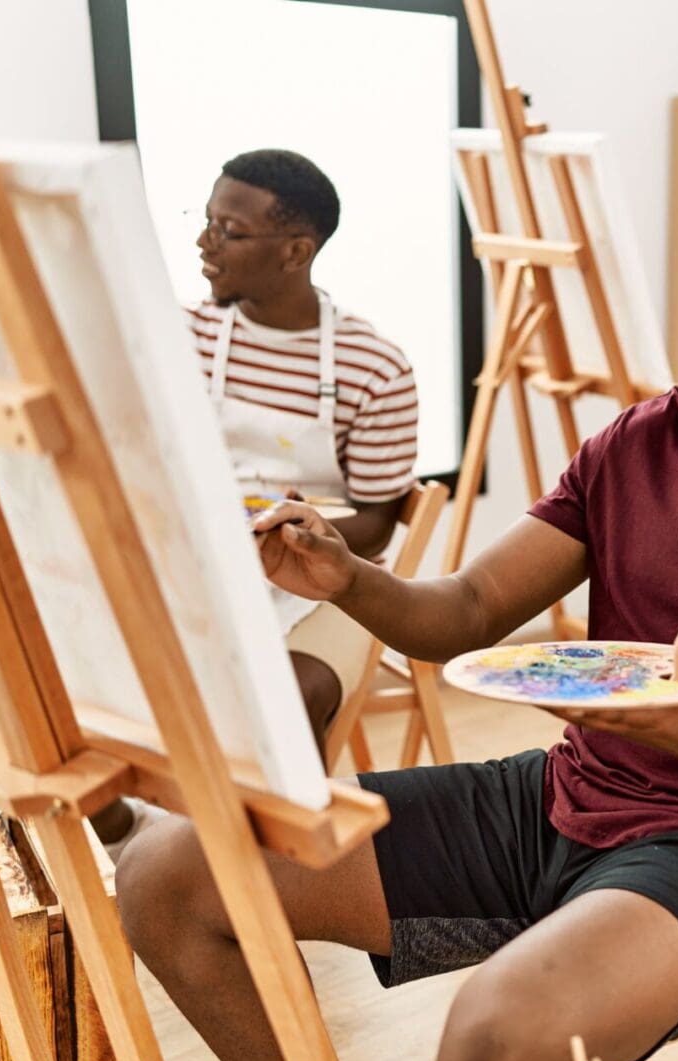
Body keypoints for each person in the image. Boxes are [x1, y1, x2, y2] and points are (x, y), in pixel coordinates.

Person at [115, 198, 678, 1061]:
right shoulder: (643, 441)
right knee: (171, 870)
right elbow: (470, 608)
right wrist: (348, 579)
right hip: (566, 798)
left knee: (499, 1028)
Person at [90, 149, 419, 859]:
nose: (204, 244)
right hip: (198, 567)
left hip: (328, 585)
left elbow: (376, 521)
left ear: (296, 250)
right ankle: (130, 840)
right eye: (205, 223)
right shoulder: (182, 334)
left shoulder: (375, 366)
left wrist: (301, 535)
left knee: (289, 698)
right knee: (78, 671)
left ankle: (261, 879)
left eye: (227, 231)